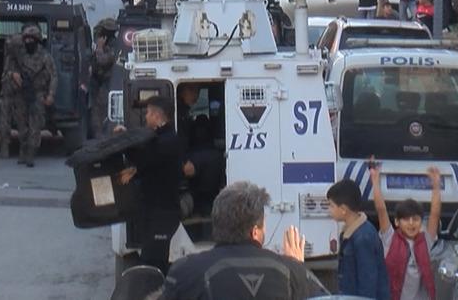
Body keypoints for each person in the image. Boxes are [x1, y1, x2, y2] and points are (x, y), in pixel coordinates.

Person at [160, 182, 325, 300]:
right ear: (255, 231)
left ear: (217, 224)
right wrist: (297, 269)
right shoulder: (293, 272)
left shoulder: (184, 271)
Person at [117, 96, 184, 273]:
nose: (146, 117)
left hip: (163, 214)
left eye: (147, 113)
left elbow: (143, 157)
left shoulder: (167, 141)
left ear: (156, 116)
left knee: (152, 264)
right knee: (153, 261)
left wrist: (123, 140)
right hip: (154, 213)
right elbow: (148, 161)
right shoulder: (161, 138)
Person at [371, 164, 441, 300]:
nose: (411, 223)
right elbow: (381, 209)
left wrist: (436, 186)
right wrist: (375, 181)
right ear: (397, 222)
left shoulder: (425, 239)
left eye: (415, 219)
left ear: (421, 222)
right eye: (406, 219)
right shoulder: (390, 238)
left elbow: (435, 213)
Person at [326, 178, 389, 299]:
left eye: (331, 206)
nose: (329, 210)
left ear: (343, 209)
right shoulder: (348, 232)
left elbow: (368, 281)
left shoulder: (364, 237)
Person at [6, 25, 57, 166]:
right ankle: (23, 152)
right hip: (22, 95)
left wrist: (51, 95)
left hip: (38, 95)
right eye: (26, 39)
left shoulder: (45, 57)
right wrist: (13, 75)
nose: (28, 42)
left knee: (35, 127)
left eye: (31, 39)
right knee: (21, 126)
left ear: (37, 40)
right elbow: (9, 67)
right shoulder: (20, 56)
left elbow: (53, 77)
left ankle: (31, 154)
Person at [88, 18, 120, 138]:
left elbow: (104, 61)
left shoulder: (114, 46)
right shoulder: (104, 45)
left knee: (100, 109)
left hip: (109, 84)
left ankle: (101, 135)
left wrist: (99, 48)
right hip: (99, 82)